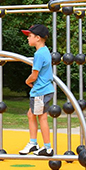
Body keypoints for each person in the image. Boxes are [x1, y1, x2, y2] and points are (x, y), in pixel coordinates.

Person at [19, 24, 55, 156]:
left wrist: (27, 81)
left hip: (40, 91)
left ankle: (47, 147)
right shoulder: (45, 51)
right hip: (43, 90)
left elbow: (34, 75)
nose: (28, 39)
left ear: (38, 38)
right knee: (31, 115)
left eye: (30, 36)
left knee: (42, 118)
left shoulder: (39, 54)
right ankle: (34, 143)